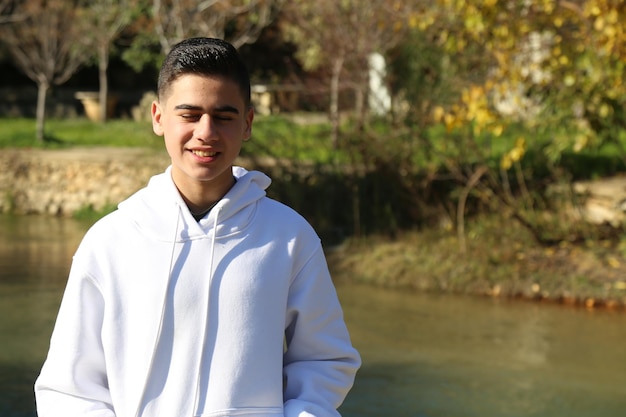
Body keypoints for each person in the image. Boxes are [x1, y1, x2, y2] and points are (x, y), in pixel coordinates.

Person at [35, 37, 360, 417]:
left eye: (224, 116)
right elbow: (69, 387)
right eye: (189, 114)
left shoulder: (289, 237)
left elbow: (324, 361)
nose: (206, 132)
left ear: (248, 122)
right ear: (158, 117)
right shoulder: (110, 240)